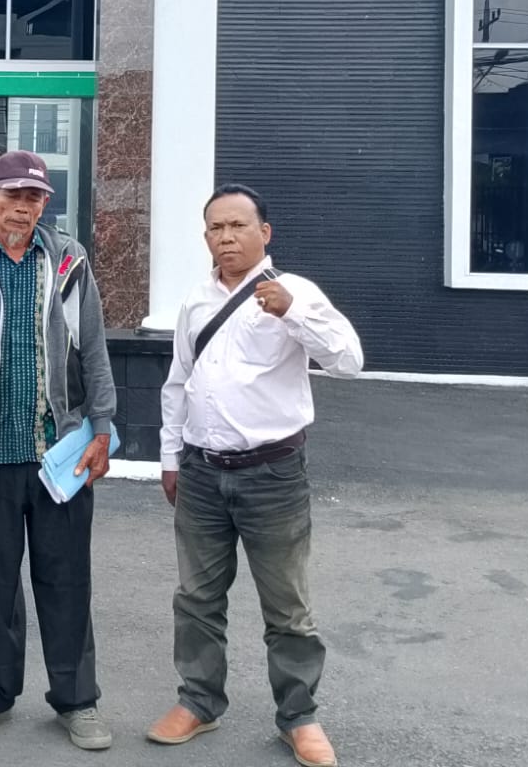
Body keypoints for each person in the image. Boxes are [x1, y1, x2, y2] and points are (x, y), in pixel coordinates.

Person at [146, 185, 363, 767]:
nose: (226, 237)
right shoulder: (196, 300)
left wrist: (293, 312)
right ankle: (198, 702)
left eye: (238, 225)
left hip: (272, 474)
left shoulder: (297, 292)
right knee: (197, 598)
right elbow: (178, 382)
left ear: (264, 232)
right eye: (215, 228)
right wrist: (170, 458)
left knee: (287, 606)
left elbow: (349, 360)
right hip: (201, 472)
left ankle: (299, 716)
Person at [0, 149, 119, 752]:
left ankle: (77, 700)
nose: (22, 208)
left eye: (33, 198)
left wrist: (103, 429)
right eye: (11, 196)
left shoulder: (69, 261)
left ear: (44, 205)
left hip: (61, 451)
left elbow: (94, 347)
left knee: (67, 580)